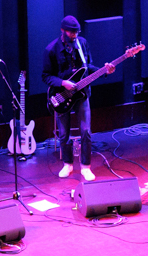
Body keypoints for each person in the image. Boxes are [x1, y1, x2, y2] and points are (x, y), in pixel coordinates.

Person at [42, 15, 114, 180]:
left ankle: (85, 166)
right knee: (64, 133)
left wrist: (104, 70)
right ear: (63, 31)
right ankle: (67, 164)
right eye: (71, 32)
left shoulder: (82, 44)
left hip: (82, 95)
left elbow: (87, 67)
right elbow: (45, 76)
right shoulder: (51, 50)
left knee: (86, 131)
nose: (74, 35)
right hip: (61, 95)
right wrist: (62, 83)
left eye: (76, 32)